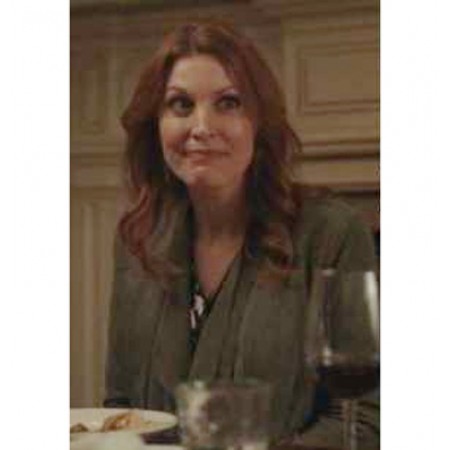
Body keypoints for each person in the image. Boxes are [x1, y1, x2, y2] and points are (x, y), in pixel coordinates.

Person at [104, 21, 379, 448]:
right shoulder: (137, 240)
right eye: (180, 104)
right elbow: (119, 409)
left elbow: (364, 420)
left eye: (228, 103)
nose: (201, 126)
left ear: (259, 121)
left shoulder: (331, 234)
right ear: (155, 125)